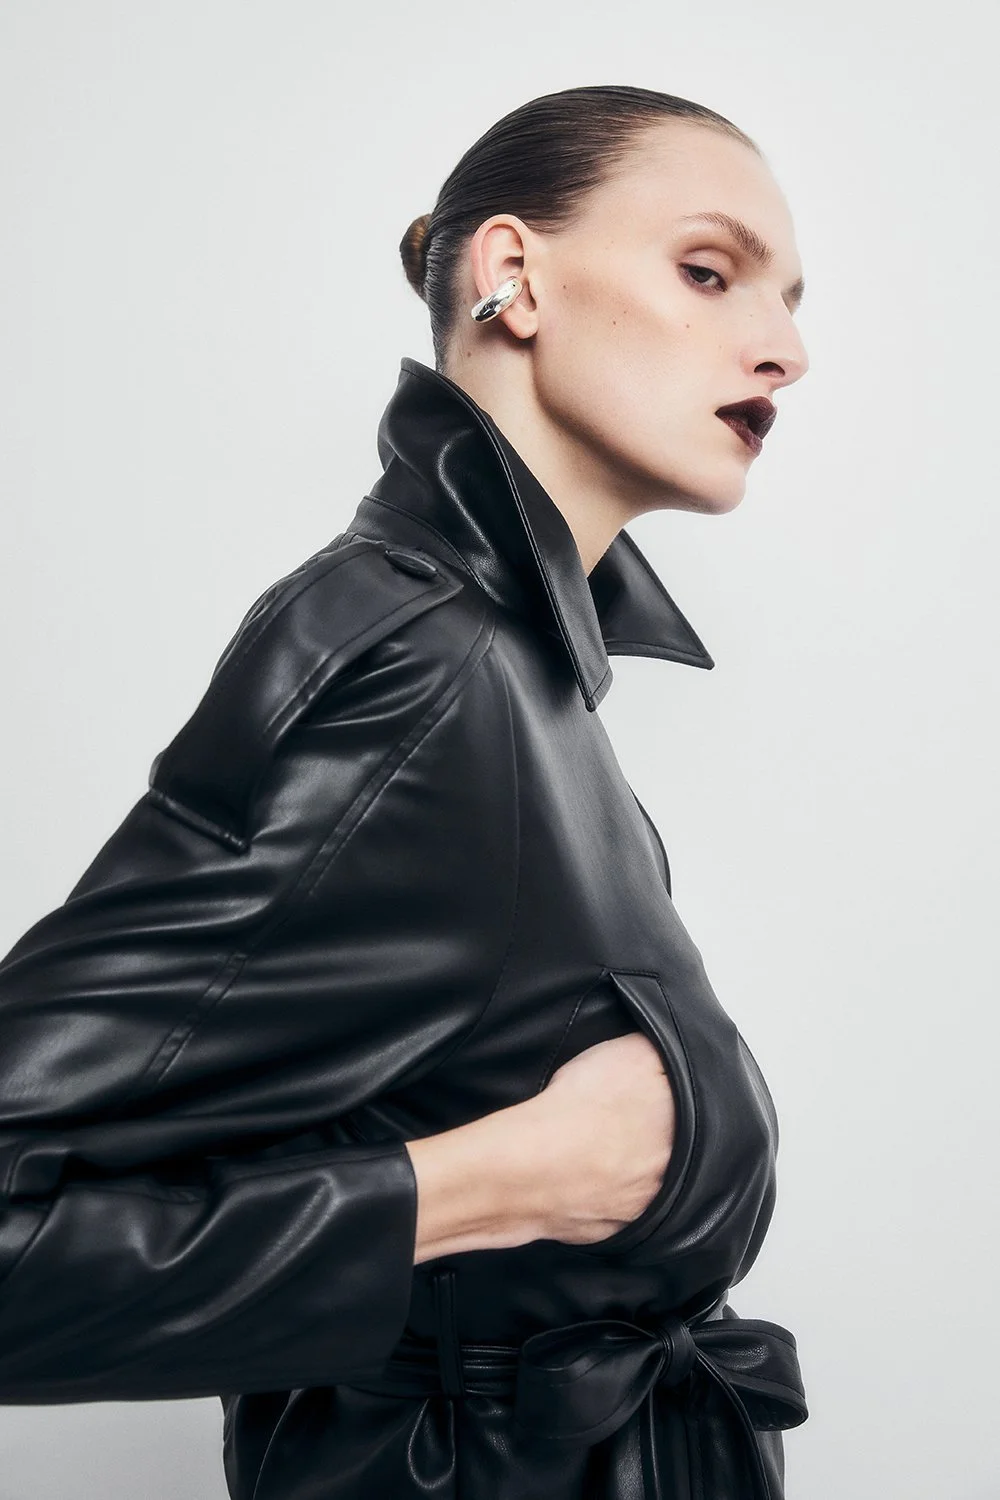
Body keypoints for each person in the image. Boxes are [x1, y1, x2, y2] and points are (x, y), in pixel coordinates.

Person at [0, 83, 810, 1499]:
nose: (786, 351)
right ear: (514, 279)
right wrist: (497, 1181)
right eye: (708, 271)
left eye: (792, 303)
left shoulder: (519, 666)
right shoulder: (420, 666)